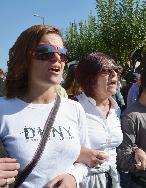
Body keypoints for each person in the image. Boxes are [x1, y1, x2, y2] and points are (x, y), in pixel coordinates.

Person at [0, 25, 89, 187]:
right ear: (24, 58)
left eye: (62, 54)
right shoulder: (3, 110)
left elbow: (85, 161)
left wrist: (73, 177)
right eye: (46, 52)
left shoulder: (75, 109)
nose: (57, 58)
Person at [74, 52, 123, 188]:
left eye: (116, 70)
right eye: (106, 70)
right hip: (84, 181)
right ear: (89, 77)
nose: (114, 74)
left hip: (113, 179)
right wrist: (79, 154)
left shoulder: (116, 109)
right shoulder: (74, 107)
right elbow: (58, 148)